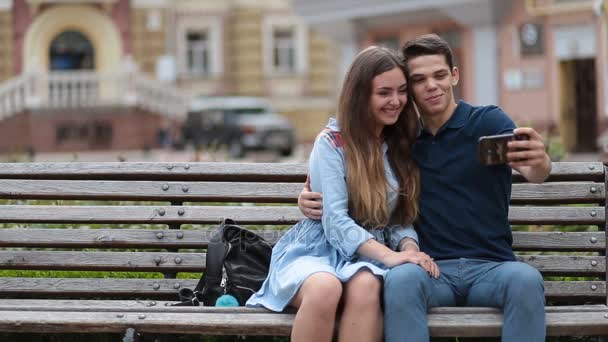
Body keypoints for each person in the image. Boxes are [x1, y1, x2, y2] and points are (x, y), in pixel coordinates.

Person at [298, 34, 552, 342]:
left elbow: (532, 170)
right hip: (431, 270)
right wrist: (308, 198)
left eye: (440, 75)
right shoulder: (401, 142)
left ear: (454, 75)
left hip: (493, 267)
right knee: (401, 279)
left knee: (526, 280)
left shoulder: (486, 121)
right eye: (419, 79)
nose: (431, 85)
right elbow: (360, 179)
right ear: (409, 89)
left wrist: (540, 162)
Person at [246, 46, 439, 342]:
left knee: (367, 285)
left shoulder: (400, 143)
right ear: (361, 96)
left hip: (368, 255)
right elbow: (334, 221)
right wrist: (389, 256)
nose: (396, 101)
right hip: (318, 250)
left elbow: (398, 217)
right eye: (384, 93)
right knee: (326, 288)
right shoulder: (332, 143)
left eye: (401, 91)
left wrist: (409, 248)